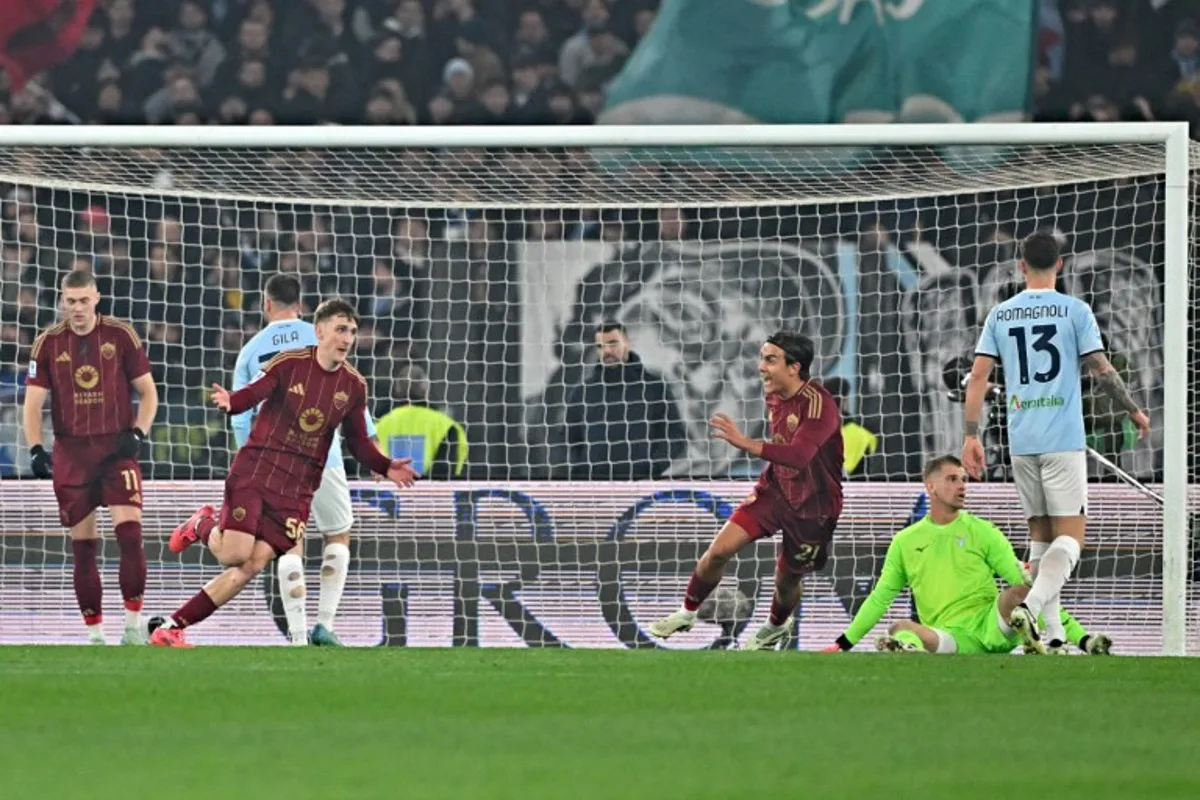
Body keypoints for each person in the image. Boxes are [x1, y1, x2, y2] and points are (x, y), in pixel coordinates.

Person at [150, 299, 418, 647]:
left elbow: (356, 441)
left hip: (296, 491)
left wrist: (384, 465)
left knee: (253, 565)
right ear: (319, 331)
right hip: (257, 472)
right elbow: (255, 392)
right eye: (340, 329)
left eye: (351, 331)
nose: (347, 338)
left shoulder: (354, 386)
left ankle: (170, 627)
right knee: (234, 554)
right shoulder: (290, 364)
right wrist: (233, 401)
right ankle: (202, 524)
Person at [962, 232, 1149, 653]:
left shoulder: (1001, 314)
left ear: (1021, 266)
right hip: (1063, 439)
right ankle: (1029, 607)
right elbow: (1101, 369)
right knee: (1072, 539)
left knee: (1042, 541)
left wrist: (970, 437)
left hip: (1022, 440)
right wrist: (1133, 409)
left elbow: (978, 377)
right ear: (1060, 265)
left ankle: (1055, 636)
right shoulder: (1074, 311)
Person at [647, 330, 843, 650]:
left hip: (815, 507)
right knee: (719, 551)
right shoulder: (774, 394)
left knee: (787, 580)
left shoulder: (820, 405)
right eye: (762, 359)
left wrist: (744, 443)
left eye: (770, 360)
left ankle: (774, 627)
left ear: (794, 367)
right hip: (776, 490)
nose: (761, 367)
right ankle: (686, 613)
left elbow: (799, 455)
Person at [823, 455, 1112, 656]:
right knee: (900, 627)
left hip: (994, 625)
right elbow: (880, 598)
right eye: (952, 479)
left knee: (1021, 592)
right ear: (930, 486)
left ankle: (1035, 638)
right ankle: (910, 651)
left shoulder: (982, 531)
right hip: (950, 636)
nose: (962, 485)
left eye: (964, 479)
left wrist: (1082, 638)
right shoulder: (905, 541)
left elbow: (1035, 589)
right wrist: (843, 643)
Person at [227, 274, 378, 646]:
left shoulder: (251, 350)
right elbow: (354, 401)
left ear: (266, 305)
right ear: (302, 306)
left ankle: (296, 636)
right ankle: (324, 625)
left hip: (275, 462)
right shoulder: (321, 337)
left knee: (289, 542)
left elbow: (240, 415)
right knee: (338, 533)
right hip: (323, 458)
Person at [23, 268, 158, 645]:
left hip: (116, 449)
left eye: (84, 300)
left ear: (96, 298)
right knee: (84, 548)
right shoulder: (47, 342)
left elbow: (148, 393)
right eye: (71, 301)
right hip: (72, 453)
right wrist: (35, 447)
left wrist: (138, 432)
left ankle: (132, 629)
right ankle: (95, 635)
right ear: (62, 301)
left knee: (130, 534)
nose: (78, 308)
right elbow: (33, 404)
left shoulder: (120, 334)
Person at [564, 321, 686, 480]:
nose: (607, 351)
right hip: (594, 490)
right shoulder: (582, 392)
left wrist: (651, 467)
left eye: (613, 343)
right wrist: (582, 470)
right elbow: (569, 439)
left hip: (640, 487)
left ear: (627, 343)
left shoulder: (654, 387)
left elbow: (675, 436)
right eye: (600, 346)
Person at [375, 363, 467, 480]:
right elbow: (449, 468)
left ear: (397, 391)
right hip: (432, 495)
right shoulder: (446, 425)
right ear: (426, 390)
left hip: (388, 494)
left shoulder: (379, 426)